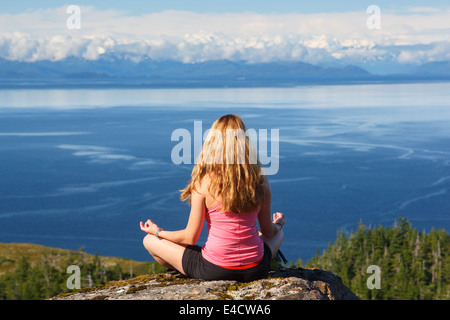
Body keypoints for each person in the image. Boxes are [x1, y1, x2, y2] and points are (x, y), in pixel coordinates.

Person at [140, 114, 285, 282]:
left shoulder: (204, 182)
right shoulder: (260, 180)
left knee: (149, 240)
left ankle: (185, 271)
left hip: (214, 269)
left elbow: (190, 237)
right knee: (279, 234)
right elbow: (268, 231)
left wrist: (158, 231)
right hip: (256, 268)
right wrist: (279, 223)